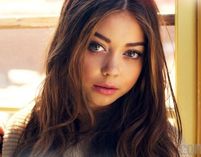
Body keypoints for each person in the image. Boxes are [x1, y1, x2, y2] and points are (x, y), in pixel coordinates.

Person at [2, 0, 182, 156]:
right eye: (96, 47)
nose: (111, 70)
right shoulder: (24, 129)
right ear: (68, 45)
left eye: (132, 53)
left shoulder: (162, 143)